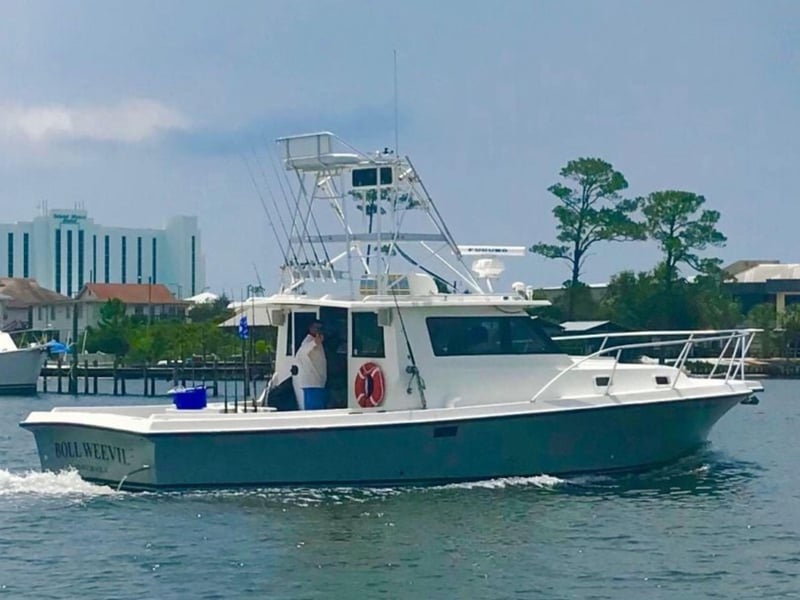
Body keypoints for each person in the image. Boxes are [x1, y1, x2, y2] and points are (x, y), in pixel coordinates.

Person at [295, 320, 327, 409]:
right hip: (312, 384)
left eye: (320, 328)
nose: (318, 330)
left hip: (318, 383)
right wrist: (314, 343)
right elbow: (302, 352)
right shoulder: (308, 341)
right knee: (314, 412)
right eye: (316, 328)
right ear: (311, 328)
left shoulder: (317, 342)